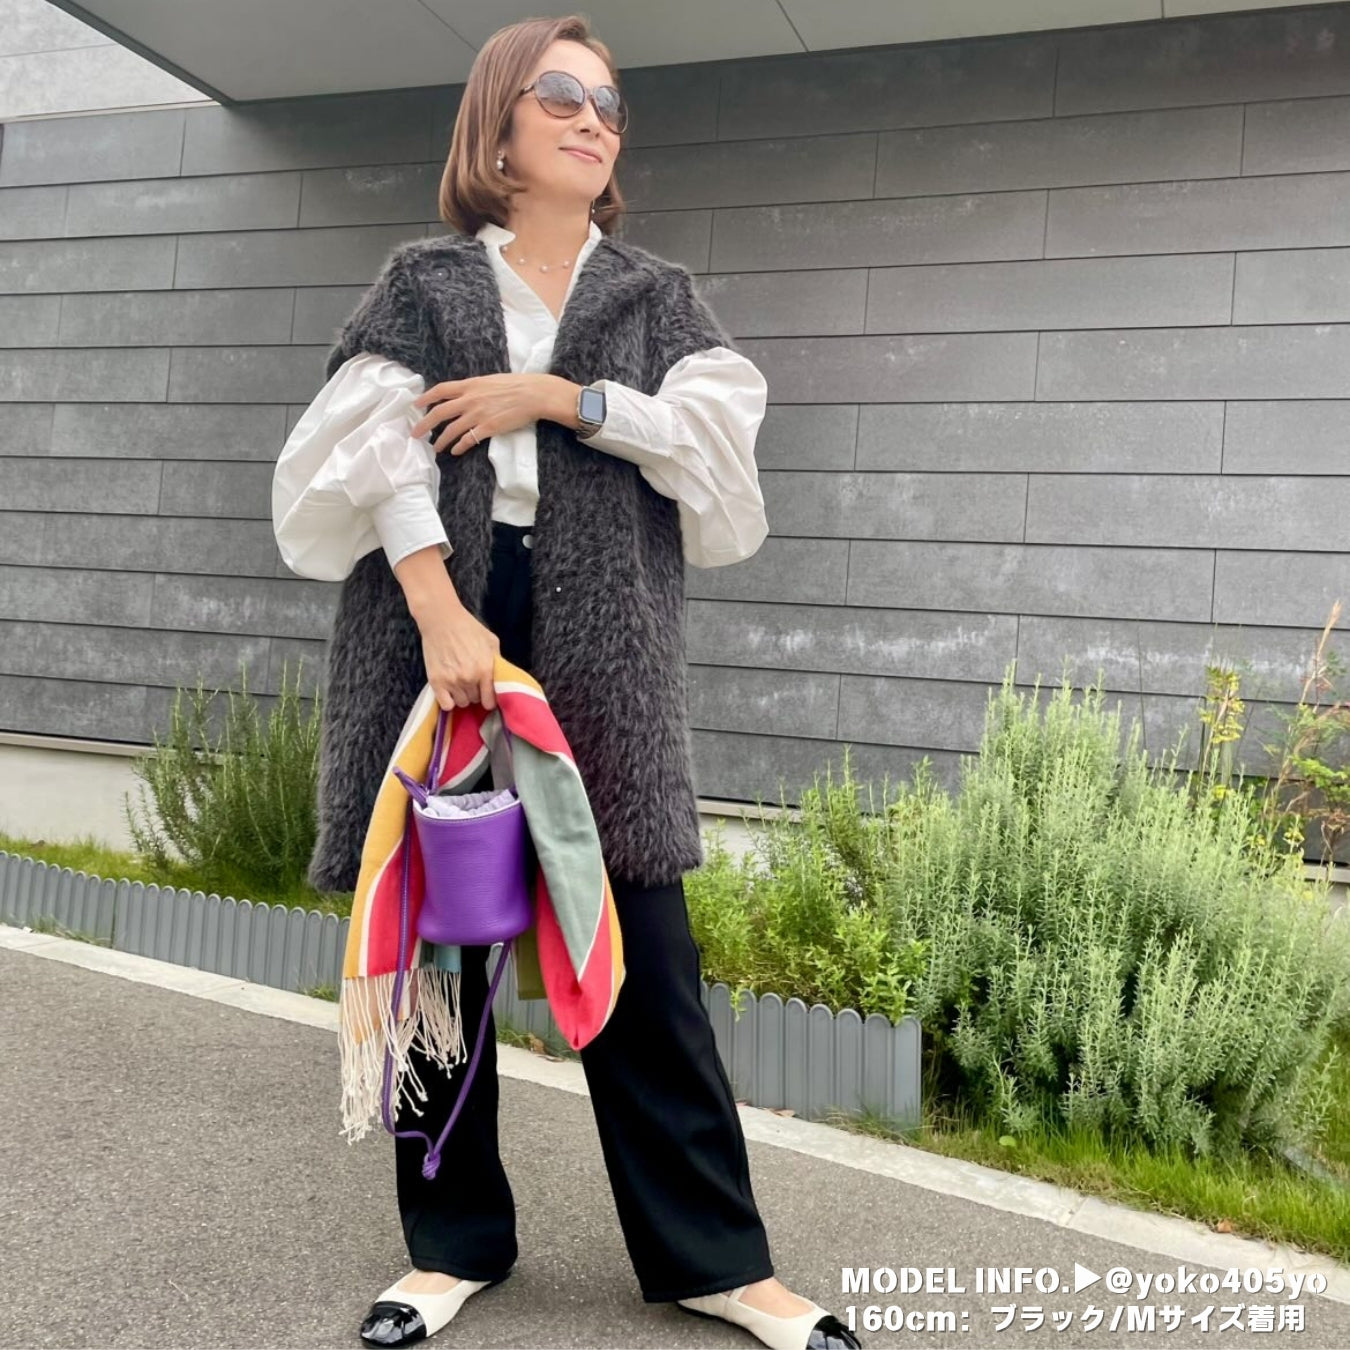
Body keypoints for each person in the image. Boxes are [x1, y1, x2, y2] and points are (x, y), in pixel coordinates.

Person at [271, 14, 862, 1350]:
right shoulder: (422, 282)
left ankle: (719, 1260)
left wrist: (556, 397)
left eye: (608, 105)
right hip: (440, 618)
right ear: (497, 122)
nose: (595, 120)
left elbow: (711, 450)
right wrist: (439, 618)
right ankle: (448, 1246)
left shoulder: (655, 297)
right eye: (561, 95)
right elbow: (374, 454)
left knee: (643, 947)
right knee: (439, 941)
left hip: (602, 639)